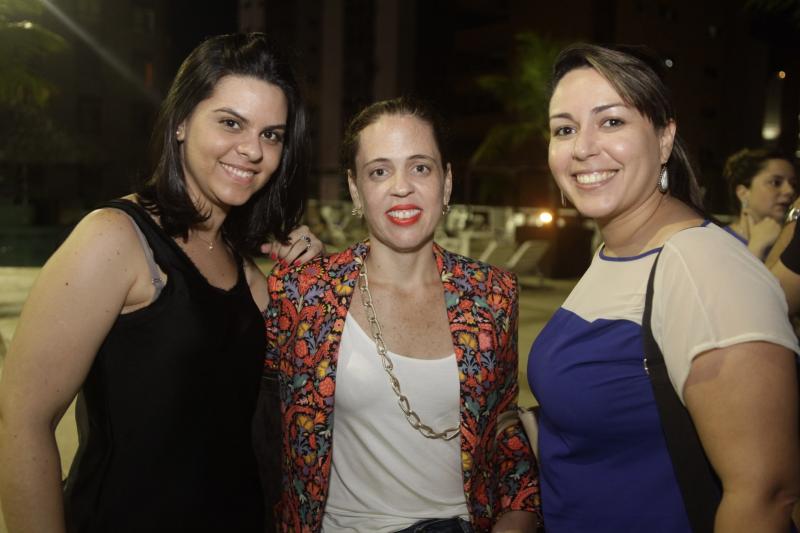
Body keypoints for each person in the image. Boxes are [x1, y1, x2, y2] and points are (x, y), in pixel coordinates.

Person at [0, 32, 322, 533]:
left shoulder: (246, 272)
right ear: (181, 123)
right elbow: (21, 420)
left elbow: (305, 387)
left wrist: (311, 279)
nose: (252, 150)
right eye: (231, 123)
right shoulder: (115, 239)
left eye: (272, 135)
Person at [527, 43, 800, 532]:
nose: (583, 147)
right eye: (565, 129)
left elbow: (765, 496)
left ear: (664, 137)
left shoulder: (703, 267)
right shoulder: (616, 251)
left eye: (611, 122)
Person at [259, 97, 540, 533]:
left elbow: (503, 422)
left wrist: (520, 515)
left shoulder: (493, 294)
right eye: (379, 171)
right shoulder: (306, 293)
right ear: (355, 189)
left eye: (420, 167)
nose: (401, 187)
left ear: (447, 182)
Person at [722, 147, 796, 260]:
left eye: (793, 184)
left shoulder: (790, 243)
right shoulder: (720, 240)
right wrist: (756, 248)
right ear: (743, 193)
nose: (790, 191)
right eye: (776, 182)